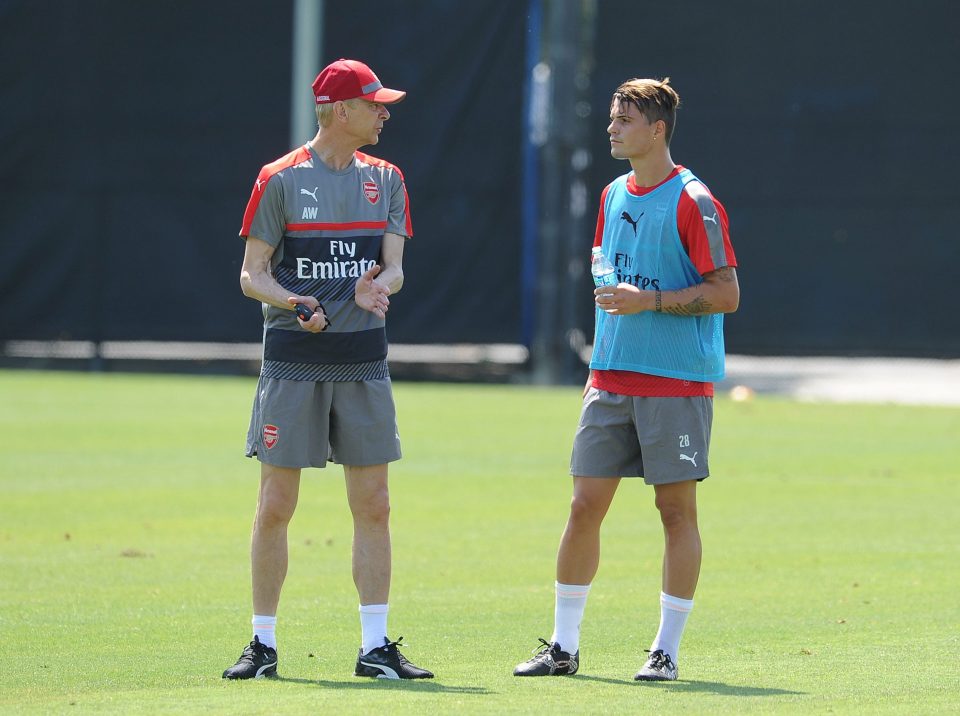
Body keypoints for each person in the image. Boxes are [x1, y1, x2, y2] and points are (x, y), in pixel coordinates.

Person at [514, 77, 739, 682]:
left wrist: (652, 302)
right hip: (610, 376)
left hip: (675, 381)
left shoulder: (695, 201)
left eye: (624, 120)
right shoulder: (614, 193)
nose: (611, 128)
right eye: (613, 118)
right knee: (584, 505)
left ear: (657, 129)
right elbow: (604, 265)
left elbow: (728, 293)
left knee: (674, 511)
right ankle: (563, 646)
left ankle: (664, 650)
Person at [222, 58, 432, 681]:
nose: (384, 113)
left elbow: (394, 266)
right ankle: (262, 645)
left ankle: (374, 648)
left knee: (375, 505)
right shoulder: (279, 179)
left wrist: (379, 287)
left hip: (363, 362)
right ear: (342, 110)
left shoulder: (387, 179)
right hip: (293, 364)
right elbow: (251, 275)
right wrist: (296, 302)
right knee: (276, 506)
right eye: (375, 103)